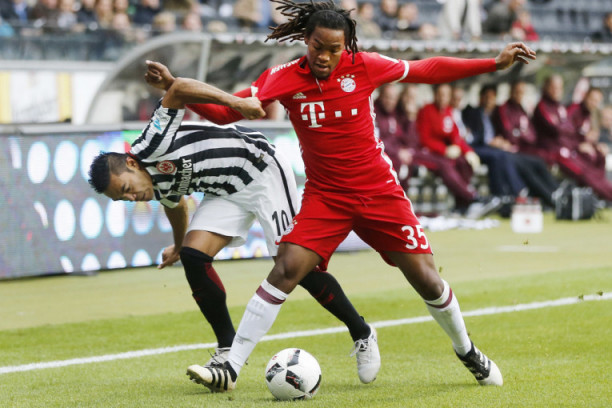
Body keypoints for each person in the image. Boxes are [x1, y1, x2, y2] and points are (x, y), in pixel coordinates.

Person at [162, 0, 535, 392]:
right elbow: (226, 113)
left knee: (427, 281)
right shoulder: (283, 77)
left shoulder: (365, 65)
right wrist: (177, 90)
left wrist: (492, 64)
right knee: (286, 269)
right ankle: (232, 367)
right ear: (306, 40)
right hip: (326, 197)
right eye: (317, 47)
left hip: (378, 192)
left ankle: (467, 351)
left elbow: (426, 69)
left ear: (347, 46)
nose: (324, 56)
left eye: (334, 49)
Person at [88, 61, 380, 383]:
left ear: (131, 164)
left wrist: (236, 104)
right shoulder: (151, 185)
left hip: (261, 171)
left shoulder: (150, 144)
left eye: (126, 189)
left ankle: (362, 332)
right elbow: (176, 205)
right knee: (193, 257)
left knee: (296, 266)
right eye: (123, 199)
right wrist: (179, 245)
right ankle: (226, 350)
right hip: (225, 192)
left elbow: (179, 89)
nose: (132, 198)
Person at [532, 75, 612, 202]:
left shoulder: (560, 108)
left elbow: (569, 131)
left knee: (598, 158)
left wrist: (590, 143)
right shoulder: (548, 107)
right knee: (585, 172)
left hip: (570, 149)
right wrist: (580, 141)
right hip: (556, 152)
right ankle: (605, 197)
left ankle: (601, 197)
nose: (557, 91)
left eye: (559, 88)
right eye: (553, 87)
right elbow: (559, 130)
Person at [416, 83, 487, 214]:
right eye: (440, 94)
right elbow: (424, 139)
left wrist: (469, 152)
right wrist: (445, 150)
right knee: (446, 165)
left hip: (443, 154)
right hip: (428, 153)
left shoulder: (448, 112)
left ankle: (462, 204)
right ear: (435, 95)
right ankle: (472, 196)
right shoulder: (426, 111)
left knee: (464, 162)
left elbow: (455, 136)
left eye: (446, 95)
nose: (443, 98)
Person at [491, 80, 559, 207]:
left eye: (522, 92)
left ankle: (556, 192)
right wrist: (522, 134)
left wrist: (522, 134)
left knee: (541, 161)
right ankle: (550, 199)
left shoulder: (522, 109)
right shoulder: (503, 109)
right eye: (517, 91)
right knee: (528, 171)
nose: (519, 94)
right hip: (511, 151)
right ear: (511, 91)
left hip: (525, 149)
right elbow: (509, 133)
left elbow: (532, 135)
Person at [461, 83, 527, 211]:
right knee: (499, 156)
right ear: (481, 97)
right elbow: (474, 136)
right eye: (486, 97)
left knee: (502, 157)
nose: (489, 100)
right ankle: (516, 190)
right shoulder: (473, 112)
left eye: (492, 97)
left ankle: (505, 196)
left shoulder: (494, 114)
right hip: (476, 148)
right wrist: (490, 142)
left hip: (491, 149)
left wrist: (501, 141)